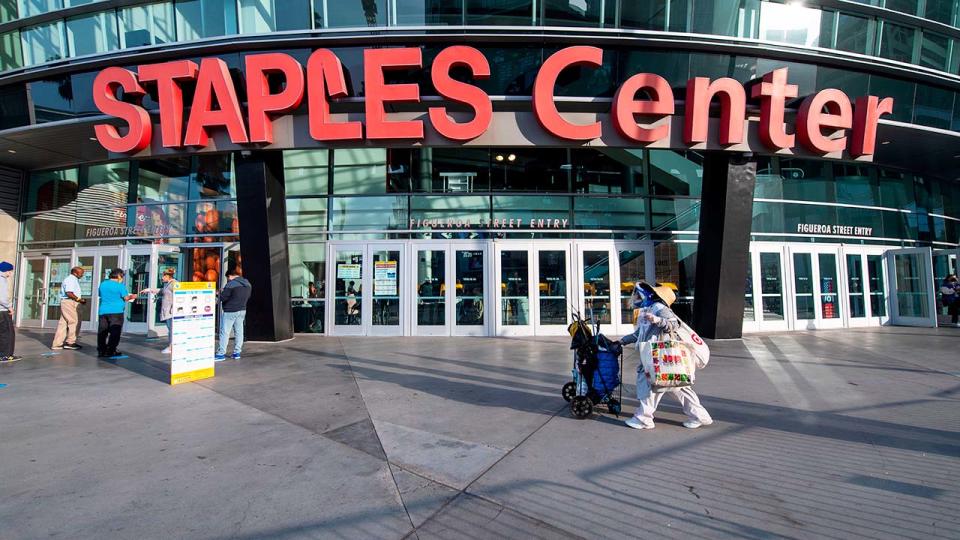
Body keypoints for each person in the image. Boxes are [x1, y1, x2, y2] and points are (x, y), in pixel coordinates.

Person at [619, 282, 713, 430]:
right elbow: (640, 333)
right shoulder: (648, 309)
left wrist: (657, 320)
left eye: (638, 294)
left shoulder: (659, 309)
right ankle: (700, 416)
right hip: (663, 358)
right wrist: (623, 341)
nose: (636, 296)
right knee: (679, 387)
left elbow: (674, 324)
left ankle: (644, 418)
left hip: (658, 357)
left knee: (653, 385)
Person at [97, 269, 136, 358]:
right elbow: (126, 298)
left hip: (103, 311)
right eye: (122, 276)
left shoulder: (103, 284)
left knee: (103, 332)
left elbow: (100, 295)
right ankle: (111, 350)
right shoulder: (120, 286)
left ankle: (101, 350)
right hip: (116, 311)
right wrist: (132, 296)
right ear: (119, 276)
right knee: (115, 332)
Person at [216, 266, 251, 361]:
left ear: (230, 276)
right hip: (242, 310)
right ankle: (237, 353)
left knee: (225, 332)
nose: (227, 280)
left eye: (227, 278)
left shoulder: (231, 284)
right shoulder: (247, 283)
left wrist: (219, 293)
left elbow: (223, 298)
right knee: (239, 332)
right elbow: (248, 296)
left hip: (230, 311)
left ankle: (221, 354)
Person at [140, 268, 178, 354]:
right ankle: (172, 346)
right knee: (171, 329)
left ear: (168, 276)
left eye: (163, 276)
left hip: (172, 312)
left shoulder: (174, 284)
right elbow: (161, 291)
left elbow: (180, 295)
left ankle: (171, 347)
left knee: (172, 330)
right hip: (168, 311)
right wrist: (149, 290)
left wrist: (174, 307)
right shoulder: (168, 284)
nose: (162, 278)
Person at [52, 266, 87, 350]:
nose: (82, 275)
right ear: (75, 272)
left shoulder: (72, 279)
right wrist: (79, 299)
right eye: (81, 273)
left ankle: (57, 343)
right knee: (74, 321)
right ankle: (70, 342)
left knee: (63, 323)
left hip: (67, 302)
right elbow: (69, 293)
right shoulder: (71, 279)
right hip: (70, 302)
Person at [0, 261, 20, 363]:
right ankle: (5, 355)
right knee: (7, 333)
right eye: (10, 271)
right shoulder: (1, 280)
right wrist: (9, 307)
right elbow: (2, 297)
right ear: (6, 271)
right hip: (2, 311)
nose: (11, 274)